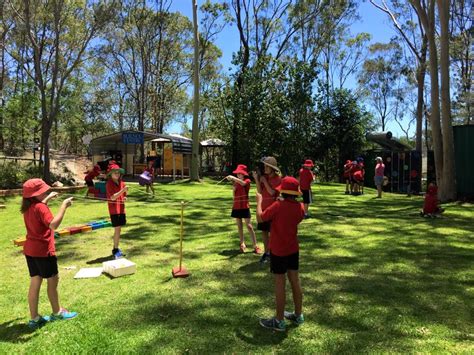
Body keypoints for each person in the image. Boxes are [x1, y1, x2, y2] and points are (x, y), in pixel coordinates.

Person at [21, 179, 77, 329]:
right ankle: (57, 312)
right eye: (43, 191)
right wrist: (64, 206)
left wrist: (48, 198)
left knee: (35, 282)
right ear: (36, 194)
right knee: (53, 281)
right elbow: (53, 225)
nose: (45, 192)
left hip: (30, 251)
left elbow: (39, 208)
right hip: (43, 251)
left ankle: (34, 318)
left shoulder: (28, 207)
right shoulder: (41, 208)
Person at [256, 176, 305, 332]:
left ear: (283, 191)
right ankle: (298, 315)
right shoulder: (301, 207)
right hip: (293, 250)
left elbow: (261, 217)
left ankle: (279, 320)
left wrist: (258, 201)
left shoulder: (278, 205)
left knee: (280, 283)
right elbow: (294, 216)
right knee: (295, 281)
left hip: (278, 250)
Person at [226, 164, 262, 254]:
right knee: (239, 226)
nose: (238, 175)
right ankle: (242, 244)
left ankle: (255, 246)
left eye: (240, 173)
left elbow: (243, 184)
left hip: (245, 206)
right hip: (236, 207)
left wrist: (233, 178)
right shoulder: (235, 182)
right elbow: (234, 195)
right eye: (237, 174)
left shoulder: (247, 181)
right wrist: (233, 190)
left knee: (249, 226)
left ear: (244, 174)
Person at [252, 156, 281, 264]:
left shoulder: (277, 179)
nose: (265, 168)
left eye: (267, 167)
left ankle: (274, 253)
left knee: (273, 233)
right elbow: (260, 191)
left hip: (272, 210)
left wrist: (265, 181)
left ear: (272, 168)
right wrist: (257, 179)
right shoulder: (265, 177)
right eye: (264, 166)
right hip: (263, 209)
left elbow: (273, 193)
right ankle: (267, 252)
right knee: (264, 232)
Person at [106, 162, 128, 259]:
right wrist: (123, 191)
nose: (117, 174)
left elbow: (123, 195)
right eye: (115, 172)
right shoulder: (109, 184)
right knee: (117, 229)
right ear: (110, 174)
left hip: (121, 209)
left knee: (119, 229)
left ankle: (116, 248)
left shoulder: (122, 183)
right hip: (114, 210)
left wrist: (125, 197)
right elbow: (113, 197)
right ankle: (115, 249)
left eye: (118, 172)